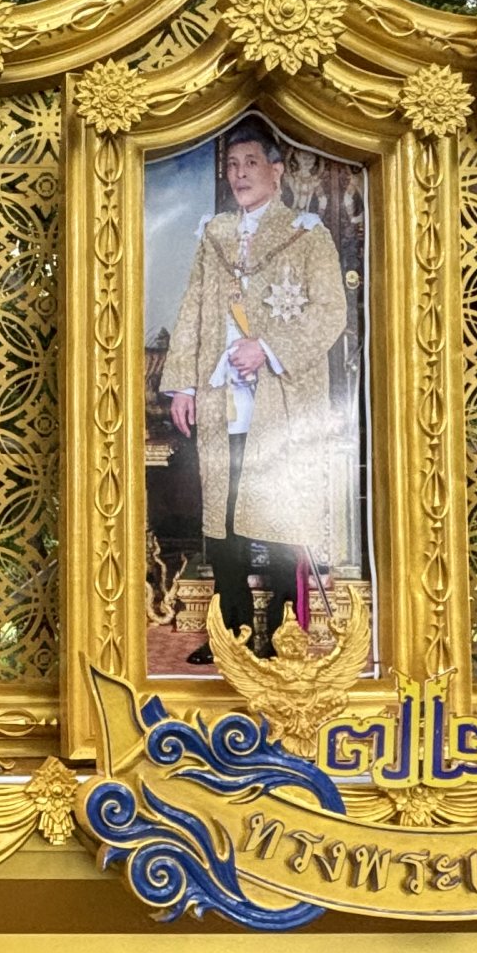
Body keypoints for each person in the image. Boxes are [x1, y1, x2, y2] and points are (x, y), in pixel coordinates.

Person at [159, 119, 351, 659]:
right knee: (220, 517)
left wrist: (265, 347)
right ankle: (234, 634)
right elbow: (194, 311)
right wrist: (183, 386)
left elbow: (331, 312)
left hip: (281, 402)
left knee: (282, 509)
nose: (240, 175)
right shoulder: (214, 235)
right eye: (232, 166)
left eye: (250, 164)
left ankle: (285, 632)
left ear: (276, 170)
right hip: (221, 399)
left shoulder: (308, 234)